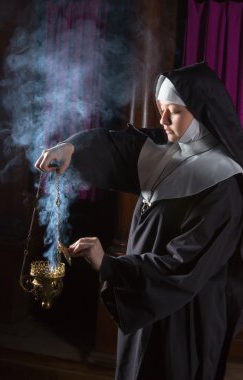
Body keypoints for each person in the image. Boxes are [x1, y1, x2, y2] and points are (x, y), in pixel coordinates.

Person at [35, 62, 243, 380]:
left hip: (185, 314)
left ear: (200, 113)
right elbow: (117, 147)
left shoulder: (223, 185)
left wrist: (109, 265)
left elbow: (181, 267)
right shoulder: (169, 151)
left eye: (173, 111)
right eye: (160, 109)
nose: (162, 121)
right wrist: (71, 148)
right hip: (144, 298)